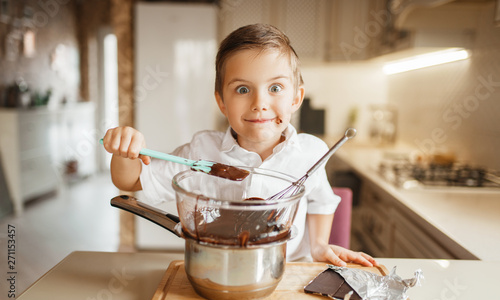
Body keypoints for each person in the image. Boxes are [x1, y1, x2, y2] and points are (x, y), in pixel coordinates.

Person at [102, 23, 377, 267]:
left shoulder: (311, 154)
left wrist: (318, 246)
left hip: (287, 273)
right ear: (222, 101)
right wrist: (125, 150)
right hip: (215, 269)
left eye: (276, 88)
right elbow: (130, 181)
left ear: (296, 97)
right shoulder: (201, 151)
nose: (260, 102)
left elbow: (321, 201)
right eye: (243, 89)